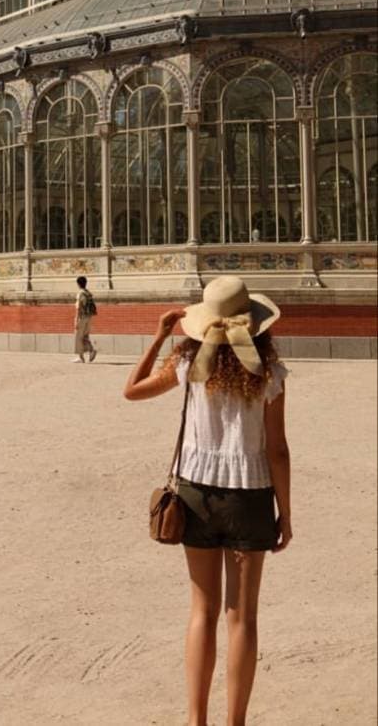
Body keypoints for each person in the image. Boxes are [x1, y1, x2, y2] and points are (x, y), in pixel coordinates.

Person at [122, 275, 292, 726]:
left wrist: (160, 334)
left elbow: (131, 389)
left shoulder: (186, 363)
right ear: (257, 324)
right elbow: (277, 450)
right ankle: (235, 722)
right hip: (251, 498)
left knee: (202, 611)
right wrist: (286, 516)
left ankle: (195, 720)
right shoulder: (270, 373)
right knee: (242, 618)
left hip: (195, 493)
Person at [72, 275, 97, 363]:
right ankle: (91, 350)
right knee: (85, 336)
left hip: (82, 317)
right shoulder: (88, 293)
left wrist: (76, 319)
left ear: (78, 284)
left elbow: (78, 307)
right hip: (89, 317)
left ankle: (81, 356)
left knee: (79, 337)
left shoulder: (80, 293)